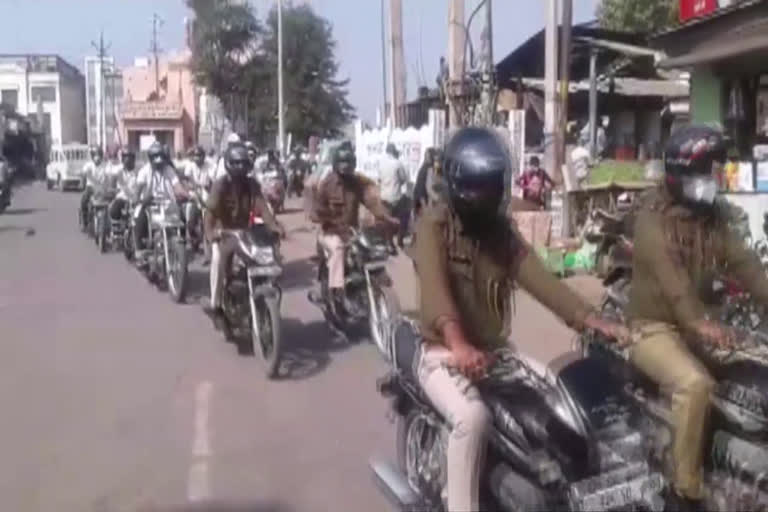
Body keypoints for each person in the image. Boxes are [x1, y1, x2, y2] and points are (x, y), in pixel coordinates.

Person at [412, 127, 627, 512]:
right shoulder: (434, 227)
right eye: (483, 186)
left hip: (495, 355)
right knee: (471, 418)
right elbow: (434, 290)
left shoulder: (501, 234)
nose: (492, 193)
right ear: (460, 188)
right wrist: (458, 344)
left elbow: (540, 279)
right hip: (442, 355)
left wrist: (590, 319)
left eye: (495, 183)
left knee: (560, 399)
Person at [626, 124, 768, 511]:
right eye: (707, 171)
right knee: (695, 384)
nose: (713, 180)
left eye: (715, 170)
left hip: (699, 327)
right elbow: (672, 281)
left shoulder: (713, 216)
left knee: (751, 385)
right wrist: (699, 322)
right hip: (652, 328)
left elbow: (747, 265)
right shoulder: (652, 218)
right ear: (681, 174)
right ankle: (683, 489)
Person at [311, 141, 399, 316]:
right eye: (342, 163)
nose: (346, 166)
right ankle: (336, 289)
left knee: (369, 249)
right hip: (330, 232)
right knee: (337, 248)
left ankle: (366, 287)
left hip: (351, 231)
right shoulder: (327, 184)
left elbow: (371, 203)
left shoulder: (357, 183)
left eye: (349, 162)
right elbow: (316, 211)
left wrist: (387, 218)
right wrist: (326, 218)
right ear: (336, 163)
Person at [204, 143, 286, 331]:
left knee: (266, 258)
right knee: (218, 260)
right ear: (228, 164)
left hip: (244, 231)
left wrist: (274, 226)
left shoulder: (252, 185)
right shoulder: (220, 185)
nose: (240, 167)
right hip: (223, 231)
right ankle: (215, 304)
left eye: (243, 163)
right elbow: (209, 213)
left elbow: (262, 208)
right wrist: (211, 234)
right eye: (236, 163)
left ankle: (263, 298)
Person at [133, 142, 189, 261]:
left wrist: (187, 195)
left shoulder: (168, 169)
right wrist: (138, 199)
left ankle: (181, 246)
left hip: (168, 204)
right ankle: (140, 249)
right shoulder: (144, 171)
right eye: (155, 156)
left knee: (182, 219)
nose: (158, 160)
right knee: (138, 216)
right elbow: (137, 191)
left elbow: (177, 187)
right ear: (150, 158)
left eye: (160, 156)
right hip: (149, 205)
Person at [183, 145, 216, 262]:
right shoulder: (190, 165)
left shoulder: (210, 165)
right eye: (195, 156)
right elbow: (187, 181)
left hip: (206, 198)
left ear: (203, 157)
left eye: (199, 156)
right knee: (190, 223)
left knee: (206, 225)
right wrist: (194, 187)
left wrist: (206, 186)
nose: (197, 158)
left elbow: (211, 183)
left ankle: (208, 255)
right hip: (193, 197)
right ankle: (194, 241)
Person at [379, 143, 410, 250]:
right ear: (394, 152)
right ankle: (400, 240)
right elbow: (403, 179)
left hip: (384, 196)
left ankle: (389, 242)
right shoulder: (397, 163)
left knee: (388, 221)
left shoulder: (381, 163)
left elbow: (379, 178)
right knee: (403, 217)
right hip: (395, 196)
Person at [80, 145, 109, 227]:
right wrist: (82, 183)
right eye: (95, 155)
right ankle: (85, 221)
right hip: (90, 187)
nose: (97, 157)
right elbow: (84, 174)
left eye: (99, 155)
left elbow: (108, 176)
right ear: (92, 156)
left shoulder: (105, 165)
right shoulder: (88, 165)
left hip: (102, 188)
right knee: (84, 200)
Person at [109, 148, 139, 223]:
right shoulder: (118, 172)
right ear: (123, 159)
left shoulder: (139, 172)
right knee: (114, 211)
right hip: (122, 199)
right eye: (126, 157)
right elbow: (111, 188)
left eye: (130, 157)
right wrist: (114, 191)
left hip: (136, 200)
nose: (128, 160)